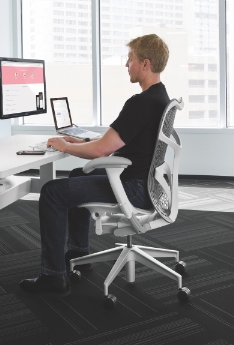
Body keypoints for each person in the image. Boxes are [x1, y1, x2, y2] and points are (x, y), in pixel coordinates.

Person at [19, 34, 170, 296]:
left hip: (135, 188)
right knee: (77, 175)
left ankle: (53, 277)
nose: (126, 65)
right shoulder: (160, 97)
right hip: (150, 184)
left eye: (130, 59)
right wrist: (83, 140)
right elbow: (120, 140)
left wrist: (65, 146)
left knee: (52, 192)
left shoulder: (140, 103)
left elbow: (102, 150)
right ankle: (77, 250)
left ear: (145, 64)